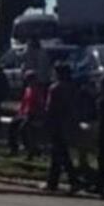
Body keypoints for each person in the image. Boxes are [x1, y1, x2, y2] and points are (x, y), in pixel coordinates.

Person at [45, 63, 80, 193]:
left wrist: (47, 123)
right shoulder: (72, 88)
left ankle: (72, 180)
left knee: (61, 154)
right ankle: (52, 182)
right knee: (58, 154)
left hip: (56, 123)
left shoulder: (55, 88)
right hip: (68, 124)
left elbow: (49, 108)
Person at [15, 71, 45, 160]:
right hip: (27, 113)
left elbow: (40, 103)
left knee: (25, 129)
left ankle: (31, 150)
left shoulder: (37, 90)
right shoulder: (28, 89)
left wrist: (39, 112)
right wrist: (20, 112)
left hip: (34, 114)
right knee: (22, 129)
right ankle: (30, 150)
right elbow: (24, 102)